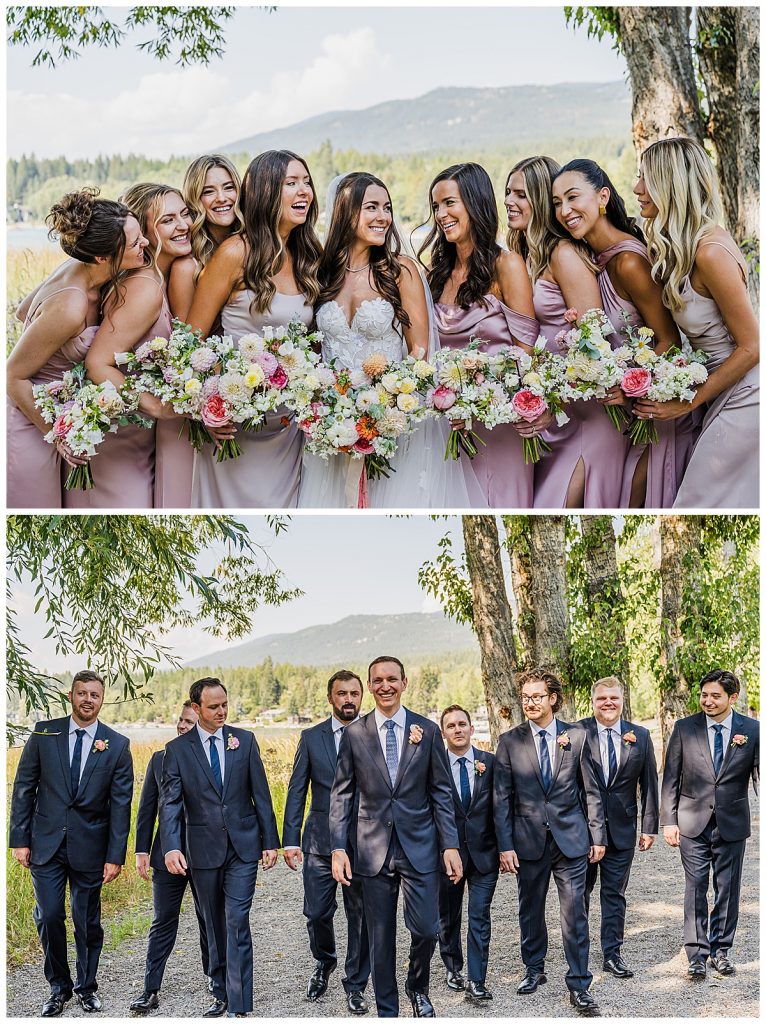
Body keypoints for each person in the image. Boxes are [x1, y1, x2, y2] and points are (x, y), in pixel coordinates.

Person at [297, 171, 483, 509]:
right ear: (344, 212)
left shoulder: (401, 271)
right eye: (371, 207)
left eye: (387, 207)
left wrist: (387, 412)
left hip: (394, 426)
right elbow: (314, 357)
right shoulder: (321, 275)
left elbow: (420, 355)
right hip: (335, 429)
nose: (383, 217)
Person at [553, 158, 695, 508]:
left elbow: (669, 341)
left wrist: (630, 388)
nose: (565, 210)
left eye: (573, 198)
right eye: (557, 203)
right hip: (630, 414)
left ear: (602, 197)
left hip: (658, 414)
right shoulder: (594, 257)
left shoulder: (629, 262)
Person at [186, 149, 320, 508]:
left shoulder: (308, 256)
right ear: (265, 191)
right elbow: (189, 345)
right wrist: (209, 409)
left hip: (288, 431)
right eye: (291, 183)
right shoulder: (234, 253)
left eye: (306, 182)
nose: (304, 191)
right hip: (236, 429)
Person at [330, 656, 462, 1017]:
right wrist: (339, 848)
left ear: (405, 683)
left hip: (419, 846)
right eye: (378, 680)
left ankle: (417, 984)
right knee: (379, 938)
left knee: (427, 928)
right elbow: (341, 793)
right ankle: (387, 1011)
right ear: (370, 686)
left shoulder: (427, 730)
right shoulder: (355, 734)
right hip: (371, 849)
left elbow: (441, 792)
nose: (385, 685)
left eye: (392, 679)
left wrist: (450, 844)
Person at [632, 137, 759, 509]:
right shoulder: (679, 248)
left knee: (695, 502)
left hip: (747, 396)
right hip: (719, 391)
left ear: (671, 184)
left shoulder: (710, 252)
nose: (638, 188)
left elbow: (753, 346)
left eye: (646, 178)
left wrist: (688, 402)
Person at [7, 187, 148, 509]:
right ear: (102, 258)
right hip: (32, 423)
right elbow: (13, 376)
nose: (146, 244)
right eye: (136, 242)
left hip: (61, 412)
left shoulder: (75, 268)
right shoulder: (70, 306)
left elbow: (22, 312)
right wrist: (58, 435)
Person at [504, 155, 627, 509]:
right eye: (508, 193)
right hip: (557, 418)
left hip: (590, 419)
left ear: (541, 200)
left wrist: (552, 403)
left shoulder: (564, 254)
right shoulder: (524, 256)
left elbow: (594, 346)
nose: (510, 202)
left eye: (521, 195)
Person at [9, 670, 133, 1017]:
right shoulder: (45, 732)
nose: (88, 700)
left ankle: (86, 987)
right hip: (45, 844)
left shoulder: (117, 744)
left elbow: (120, 806)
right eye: (82, 693)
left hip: (91, 848)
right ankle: (58, 987)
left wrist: (115, 856)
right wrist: (19, 839)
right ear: (71, 695)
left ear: (102, 699)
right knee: (49, 915)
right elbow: (24, 787)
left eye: (95, 695)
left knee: (87, 921)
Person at [421, 162, 544, 507]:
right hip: (449, 424)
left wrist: (479, 399)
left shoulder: (507, 266)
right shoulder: (435, 273)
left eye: (450, 203)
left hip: (498, 426)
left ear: (475, 203)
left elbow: (525, 352)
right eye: (435, 206)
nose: (441, 214)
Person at [159, 677, 280, 1017]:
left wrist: (269, 842)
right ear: (196, 709)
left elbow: (261, 795)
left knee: (237, 918)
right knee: (213, 922)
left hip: (243, 846)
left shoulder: (245, 740)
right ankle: (220, 990)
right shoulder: (178, 750)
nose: (222, 711)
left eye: (225, 704)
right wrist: (171, 847)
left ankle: (239, 1004)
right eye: (213, 706)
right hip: (202, 849)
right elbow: (170, 804)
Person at [71, 184, 193, 509]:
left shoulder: (150, 275)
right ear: (143, 229)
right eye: (168, 220)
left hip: (139, 435)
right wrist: (158, 408)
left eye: (184, 214)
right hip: (121, 439)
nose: (182, 225)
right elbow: (97, 365)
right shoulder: (143, 287)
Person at [493, 668, 605, 1016]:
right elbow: (501, 799)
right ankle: (534, 968)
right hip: (527, 841)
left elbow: (591, 790)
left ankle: (579, 983)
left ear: (553, 699)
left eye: (537, 696)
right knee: (530, 908)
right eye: (526, 697)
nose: (530, 702)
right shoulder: (509, 741)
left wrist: (597, 834)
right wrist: (505, 845)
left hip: (570, 839)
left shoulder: (578, 736)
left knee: (575, 913)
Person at [660, 669, 759, 979]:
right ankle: (697, 953)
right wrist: (668, 821)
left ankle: (721, 950)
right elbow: (671, 777)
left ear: (732, 698)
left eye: (715, 696)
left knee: (728, 889)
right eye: (704, 695)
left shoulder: (752, 730)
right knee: (696, 886)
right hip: (692, 822)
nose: (708, 701)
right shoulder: (684, 728)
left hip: (732, 822)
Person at [282, 670, 370, 1013]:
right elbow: (295, 790)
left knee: (360, 914)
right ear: (330, 698)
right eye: (342, 693)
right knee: (317, 911)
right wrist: (290, 839)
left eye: (353, 693)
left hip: (364, 839)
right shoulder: (311, 737)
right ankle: (325, 959)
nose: (348, 699)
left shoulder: (373, 733)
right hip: (319, 840)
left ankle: (356, 982)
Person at [129, 700, 210, 1014]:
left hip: (205, 854)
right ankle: (150, 988)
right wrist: (141, 851)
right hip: (166, 854)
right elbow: (147, 809)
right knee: (163, 920)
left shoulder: (212, 758)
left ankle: (214, 977)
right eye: (181, 720)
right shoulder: (159, 759)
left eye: (190, 722)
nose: (182, 726)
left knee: (208, 918)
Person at [578, 676, 659, 978]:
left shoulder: (640, 735)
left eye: (613, 698)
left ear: (622, 701)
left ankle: (612, 954)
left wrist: (649, 827)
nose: (608, 703)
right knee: (579, 894)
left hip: (623, 829)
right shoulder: (576, 733)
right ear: (593, 702)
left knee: (614, 895)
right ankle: (579, 951)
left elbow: (650, 782)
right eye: (602, 699)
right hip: (583, 831)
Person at [437, 705, 498, 1003]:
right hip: (448, 857)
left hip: (485, 855)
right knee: (448, 916)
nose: (458, 729)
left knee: (479, 916)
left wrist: (505, 848)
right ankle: (452, 966)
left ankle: (477, 980)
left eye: (462, 724)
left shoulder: (490, 763)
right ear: (443, 733)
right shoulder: (434, 766)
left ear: (472, 729)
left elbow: (501, 809)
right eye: (451, 726)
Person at [173, 154, 243, 326]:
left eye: (228, 187)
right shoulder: (187, 267)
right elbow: (187, 343)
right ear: (195, 198)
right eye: (208, 191)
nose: (221, 198)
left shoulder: (254, 245)